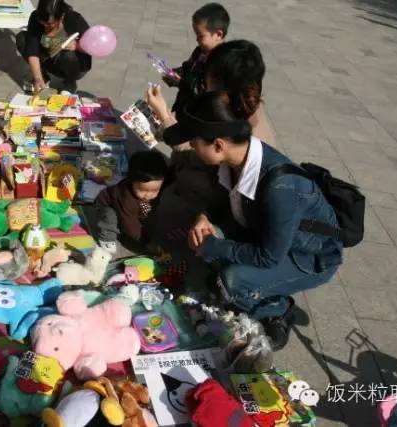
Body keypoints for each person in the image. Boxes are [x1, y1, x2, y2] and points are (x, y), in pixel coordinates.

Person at [163, 90, 343, 350]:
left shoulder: (280, 188)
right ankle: (252, 287)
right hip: (263, 234)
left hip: (307, 257)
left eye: (194, 142)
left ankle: (276, 309)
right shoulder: (236, 157)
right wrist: (204, 218)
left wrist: (213, 246)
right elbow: (225, 204)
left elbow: (269, 257)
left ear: (218, 145)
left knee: (231, 281)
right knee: (207, 243)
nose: (191, 146)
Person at [147, 40, 272, 252]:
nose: (204, 83)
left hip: (228, 202)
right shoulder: (240, 104)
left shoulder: (226, 117)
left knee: (174, 194)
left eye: (207, 78)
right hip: (223, 186)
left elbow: (196, 150)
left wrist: (164, 115)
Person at [95, 150, 168, 254]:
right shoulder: (125, 198)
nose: (148, 195)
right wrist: (146, 242)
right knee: (109, 218)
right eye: (142, 190)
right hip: (108, 204)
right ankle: (106, 238)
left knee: (150, 217)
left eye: (155, 190)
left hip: (135, 208)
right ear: (131, 181)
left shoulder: (157, 188)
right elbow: (130, 225)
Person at [164, 3, 229, 115]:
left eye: (200, 35)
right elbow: (188, 68)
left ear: (218, 34)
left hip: (199, 116)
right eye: (196, 34)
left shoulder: (221, 62)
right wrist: (173, 73)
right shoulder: (200, 51)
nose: (197, 39)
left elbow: (205, 92)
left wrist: (181, 83)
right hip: (184, 109)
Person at [16, 0, 91, 93]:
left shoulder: (74, 19)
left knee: (68, 55)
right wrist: (38, 78)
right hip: (49, 60)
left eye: (50, 23)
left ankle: (70, 82)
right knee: (22, 39)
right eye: (43, 22)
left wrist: (76, 46)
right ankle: (43, 76)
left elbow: (92, 46)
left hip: (74, 65)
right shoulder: (36, 17)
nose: (46, 26)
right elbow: (32, 50)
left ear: (61, 16)